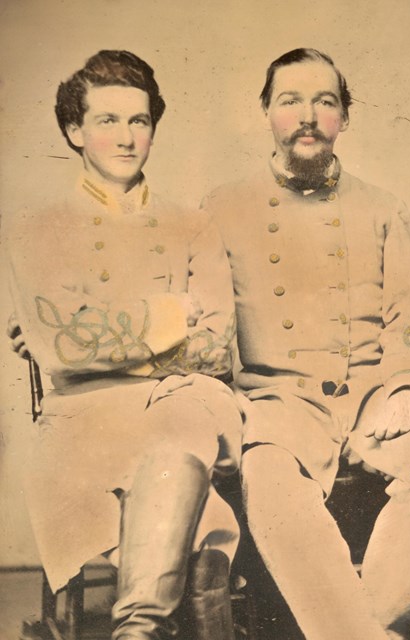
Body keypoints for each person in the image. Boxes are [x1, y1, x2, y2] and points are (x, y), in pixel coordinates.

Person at [201, 48, 410, 640]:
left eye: (325, 101)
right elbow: (197, 318)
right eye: (290, 100)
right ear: (266, 113)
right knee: (270, 480)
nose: (308, 114)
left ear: (344, 117)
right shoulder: (221, 209)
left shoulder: (384, 209)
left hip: (375, 397)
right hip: (277, 403)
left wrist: (408, 390)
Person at [5, 50, 242, 640]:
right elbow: (64, 349)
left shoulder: (192, 225)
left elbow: (216, 348)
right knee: (206, 530)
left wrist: (101, 330)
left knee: (183, 417)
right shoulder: (38, 227)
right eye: (107, 120)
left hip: (182, 402)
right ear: (74, 130)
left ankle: (137, 629)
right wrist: (170, 315)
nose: (126, 137)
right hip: (80, 425)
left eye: (139, 121)